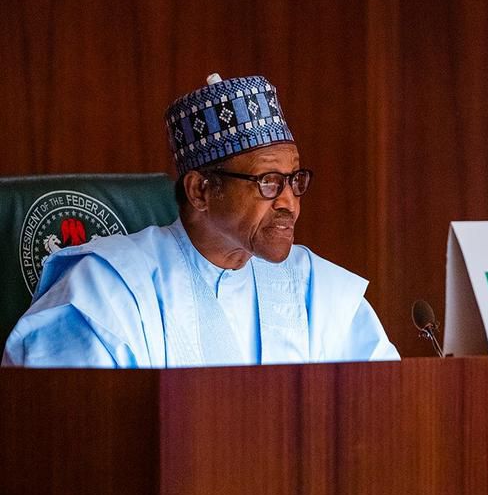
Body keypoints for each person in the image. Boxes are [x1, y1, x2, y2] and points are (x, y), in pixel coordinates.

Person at [2, 74, 398, 367]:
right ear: (200, 192)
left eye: (295, 180)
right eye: (268, 182)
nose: (289, 203)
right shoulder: (108, 289)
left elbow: (386, 406)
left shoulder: (320, 291)